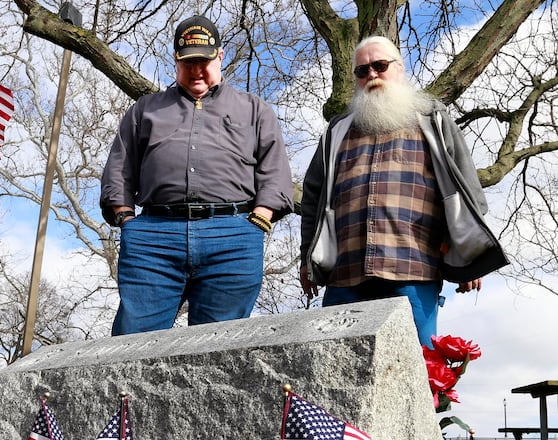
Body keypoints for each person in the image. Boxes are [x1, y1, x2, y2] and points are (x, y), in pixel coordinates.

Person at [299, 36, 508, 347]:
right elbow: (313, 198)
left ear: (399, 68)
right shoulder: (336, 131)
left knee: (422, 370)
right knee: (336, 368)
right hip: (346, 273)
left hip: (413, 269)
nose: (371, 75)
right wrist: (306, 258)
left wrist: (469, 256)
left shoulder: (432, 120)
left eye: (380, 66)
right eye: (362, 71)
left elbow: (466, 189)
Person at [100, 15, 294, 336]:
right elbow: (119, 169)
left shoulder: (254, 109)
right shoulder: (144, 110)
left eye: (204, 61)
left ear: (220, 56)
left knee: (217, 348)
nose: (196, 71)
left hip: (233, 238)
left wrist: (259, 220)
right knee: (132, 341)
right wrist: (125, 219)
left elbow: (275, 170)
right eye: (188, 62)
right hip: (153, 239)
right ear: (176, 61)